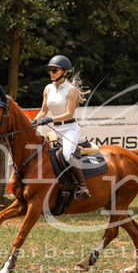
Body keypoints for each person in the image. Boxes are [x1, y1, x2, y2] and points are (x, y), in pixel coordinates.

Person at [31, 55, 91, 200]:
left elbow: (69, 114)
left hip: (70, 129)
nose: (51, 72)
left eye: (54, 70)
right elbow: (43, 111)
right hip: (56, 130)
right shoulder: (48, 89)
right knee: (46, 155)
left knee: (66, 154)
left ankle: (82, 186)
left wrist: (50, 119)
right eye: (50, 70)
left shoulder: (71, 90)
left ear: (65, 72)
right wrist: (33, 121)